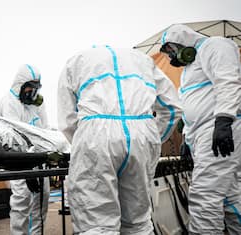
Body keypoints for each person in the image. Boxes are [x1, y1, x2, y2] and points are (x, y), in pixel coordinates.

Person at [57, 45, 182, 234]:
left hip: (95, 135)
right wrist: (152, 140)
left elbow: (67, 119)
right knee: (137, 222)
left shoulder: (77, 61)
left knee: (97, 223)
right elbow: (172, 108)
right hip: (141, 133)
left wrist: (86, 144)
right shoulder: (144, 61)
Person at [160, 24, 241, 235]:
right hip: (204, 134)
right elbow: (197, 101)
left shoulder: (215, 46)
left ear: (184, 41)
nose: (171, 56)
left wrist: (224, 120)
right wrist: (187, 136)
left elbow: (228, 82)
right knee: (231, 194)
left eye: (171, 50)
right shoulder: (190, 69)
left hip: (218, 128)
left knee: (205, 194)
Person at [0, 64, 50, 235]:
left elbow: (45, 130)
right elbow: (12, 138)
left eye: (36, 87)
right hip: (19, 163)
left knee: (41, 203)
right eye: (30, 86)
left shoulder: (38, 105)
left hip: (39, 161)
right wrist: (27, 169)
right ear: (20, 84)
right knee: (22, 203)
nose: (32, 91)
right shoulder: (9, 102)